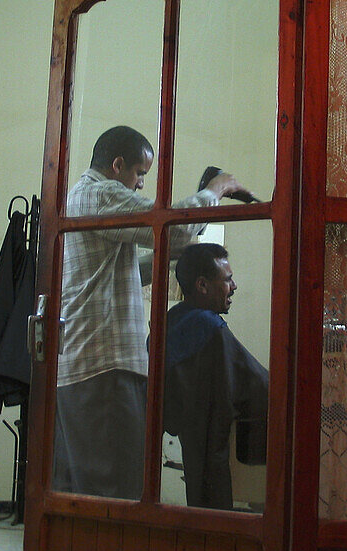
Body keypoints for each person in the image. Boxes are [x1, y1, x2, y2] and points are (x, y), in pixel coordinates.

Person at [54, 125, 249, 499]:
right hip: (103, 368)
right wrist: (216, 189)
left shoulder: (82, 198)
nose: (142, 184)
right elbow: (173, 228)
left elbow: (119, 267)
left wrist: (168, 253)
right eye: (140, 174)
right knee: (120, 490)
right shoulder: (101, 192)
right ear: (117, 165)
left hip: (92, 366)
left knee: (99, 488)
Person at [163, 242, 269, 510]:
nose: (234, 287)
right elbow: (259, 385)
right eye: (228, 280)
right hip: (218, 445)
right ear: (202, 285)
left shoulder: (172, 320)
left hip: (191, 442)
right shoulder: (210, 327)